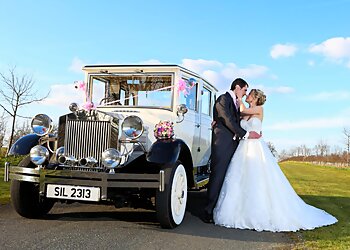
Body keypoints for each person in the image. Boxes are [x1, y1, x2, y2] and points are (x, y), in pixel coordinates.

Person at [213, 89, 338, 232]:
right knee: (239, 178)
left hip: (256, 147)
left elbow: (242, 112)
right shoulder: (248, 110)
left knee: (258, 178)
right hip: (243, 148)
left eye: (249, 94)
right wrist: (216, 121)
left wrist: (240, 99)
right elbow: (234, 119)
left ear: (254, 97)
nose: (247, 95)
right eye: (246, 93)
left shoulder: (259, 109)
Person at [203, 78, 261, 223]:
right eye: (244, 90)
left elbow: (235, 119)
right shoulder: (223, 98)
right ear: (237, 87)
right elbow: (226, 118)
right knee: (218, 175)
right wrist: (246, 134)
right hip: (222, 144)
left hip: (235, 145)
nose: (245, 92)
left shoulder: (235, 102)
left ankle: (222, 208)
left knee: (230, 177)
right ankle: (208, 211)